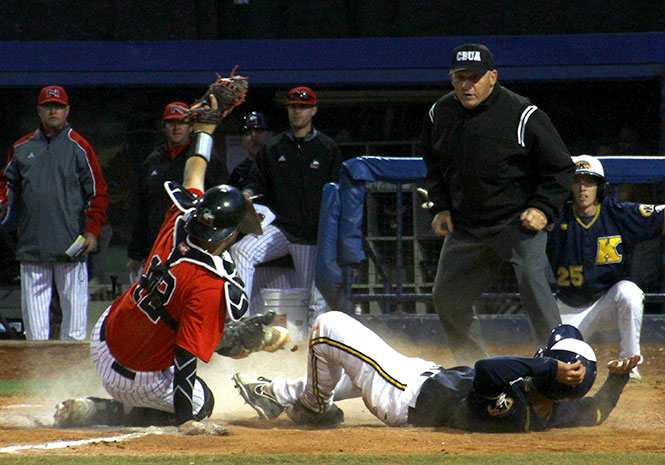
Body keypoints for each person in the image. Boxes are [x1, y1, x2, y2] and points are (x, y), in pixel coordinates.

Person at [53, 95, 289, 434]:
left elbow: (195, 167)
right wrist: (187, 420)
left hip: (106, 337)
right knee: (203, 400)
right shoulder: (210, 282)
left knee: (180, 315)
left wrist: (206, 129)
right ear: (227, 232)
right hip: (138, 378)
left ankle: (115, 402)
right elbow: (184, 359)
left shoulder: (179, 217)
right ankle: (106, 409)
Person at [420, 44, 575, 364]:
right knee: (447, 298)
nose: (467, 85)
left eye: (475, 78)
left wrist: (544, 208)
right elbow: (434, 167)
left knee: (535, 289)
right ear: (451, 79)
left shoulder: (523, 113)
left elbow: (561, 168)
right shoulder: (439, 113)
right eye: (460, 77)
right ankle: (473, 369)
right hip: (467, 227)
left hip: (516, 223)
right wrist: (441, 206)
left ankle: (558, 365)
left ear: (493, 77)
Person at [233, 311, 639, 431]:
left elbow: (486, 371)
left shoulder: (513, 407)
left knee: (328, 327)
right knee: (351, 361)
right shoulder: (564, 409)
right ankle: (280, 395)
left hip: (403, 395)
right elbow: (599, 410)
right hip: (425, 378)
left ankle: (311, 407)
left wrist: (547, 363)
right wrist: (616, 378)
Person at [0, 85, 109, 340]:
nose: (53, 111)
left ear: (67, 110)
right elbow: (5, 182)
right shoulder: (22, 147)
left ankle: (70, 379)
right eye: (48, 106)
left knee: (75, 327)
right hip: (32, 244)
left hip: (72, 244)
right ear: (39, 110)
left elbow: (98, 192)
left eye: (58, 107)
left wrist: (92, 231)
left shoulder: (79, 146)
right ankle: (39, 377)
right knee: (35, 331)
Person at [548, 155, 664, 383]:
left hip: (607, 304)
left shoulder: (616, 213)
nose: (582, 188)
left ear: (600, 187)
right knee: (557, 371)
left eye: (589, 182)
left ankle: (630, 363)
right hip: (568, 308)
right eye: (577, 181)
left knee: (629, 292)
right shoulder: (555, 218)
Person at [231, 87, 343, 318]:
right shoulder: (274, 147)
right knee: (241, 251)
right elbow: (256, 183)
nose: (297, 112)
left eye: (303, 107)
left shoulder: (327, 147)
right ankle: (239, 323)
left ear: (313, 110)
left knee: (312, 301)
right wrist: (248, 193)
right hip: (282, 229)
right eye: (293, 107)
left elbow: (338, 194)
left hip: (313, 237)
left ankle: (311, 348)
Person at [126, 101, 229, 282]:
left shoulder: (204, 158)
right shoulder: (152, 161)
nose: (176, 128)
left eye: (182, 122)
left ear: (191, 126)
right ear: (164, 127)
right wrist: (136, 253)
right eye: (171, 123)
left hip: (194, 245)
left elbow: (221, 202)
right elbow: (142, 210)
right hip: (158, 244)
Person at [228, 111, 274, 190]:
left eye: (259, 132)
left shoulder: (280, 165)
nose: (254, 137)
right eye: (248, 133)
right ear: (242, 141)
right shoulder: (239, 171)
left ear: (271, 135)